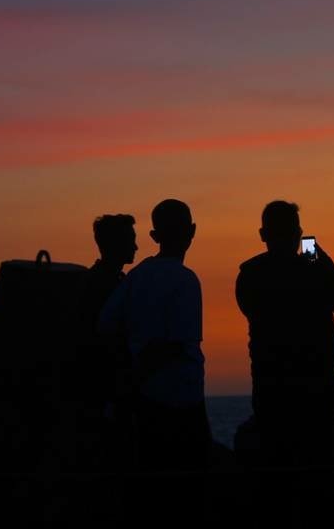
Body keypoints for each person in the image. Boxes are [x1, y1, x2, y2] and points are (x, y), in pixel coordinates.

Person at [235, 200, 334, 465]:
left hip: (272, 384)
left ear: (263, 235)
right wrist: (317, 259)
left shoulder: (250, 274)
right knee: (318, 456)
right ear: (298, 233)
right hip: (315, 383)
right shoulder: (311, 268)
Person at [98, 199, 210, 470]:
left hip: (145, 401)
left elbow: (106, 325)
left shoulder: (135, 277)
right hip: (182, 401)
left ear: (154, 236)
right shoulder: (186, 280)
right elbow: (175, 345)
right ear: (192, 231)